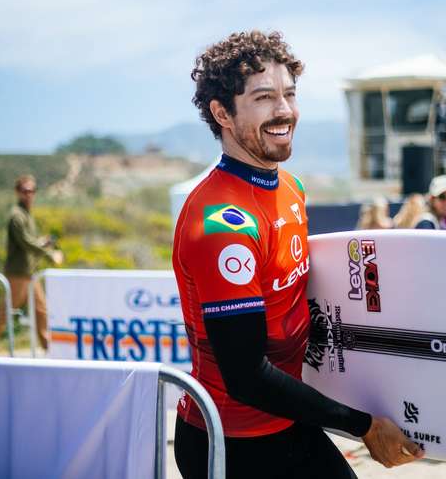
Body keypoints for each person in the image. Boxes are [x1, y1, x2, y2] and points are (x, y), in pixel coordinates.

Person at [172, 31, 423, 479]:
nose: (284, 110)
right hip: (229, 444)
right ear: (222, 113)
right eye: (264, 97)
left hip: (286, 424)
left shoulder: (291, 188)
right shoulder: (219, 224)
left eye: (289, 94)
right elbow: (246, 376)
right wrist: (362, 425)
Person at [0, 174, 63, 351]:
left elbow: (29, 241)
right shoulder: (17, 216)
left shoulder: (26, 214)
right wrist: (50, 254)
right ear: (17, 192)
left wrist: (42, 241)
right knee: (4, 315)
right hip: (18, 274)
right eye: (25, 191)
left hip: (29, 273)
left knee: (42, 312)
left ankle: (50, 353)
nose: (29, 194)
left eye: (32, 191)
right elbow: (25, 242)